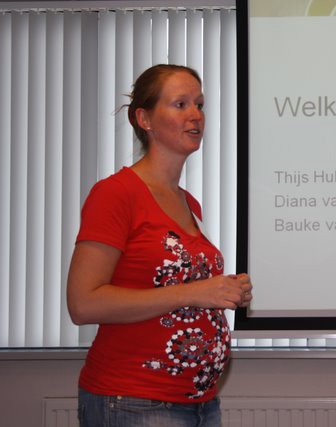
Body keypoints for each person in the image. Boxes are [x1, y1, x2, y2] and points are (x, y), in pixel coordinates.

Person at [67, 64, 252, 427]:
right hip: (134, 402)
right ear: (145, 119)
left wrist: (226, 291)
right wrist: (196, 292)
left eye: (199, 104)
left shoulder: (188, 203)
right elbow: (83, 303)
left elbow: (173, 286)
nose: (196, 114)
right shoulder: (116, 194)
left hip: (201, 404)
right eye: (180, 104)